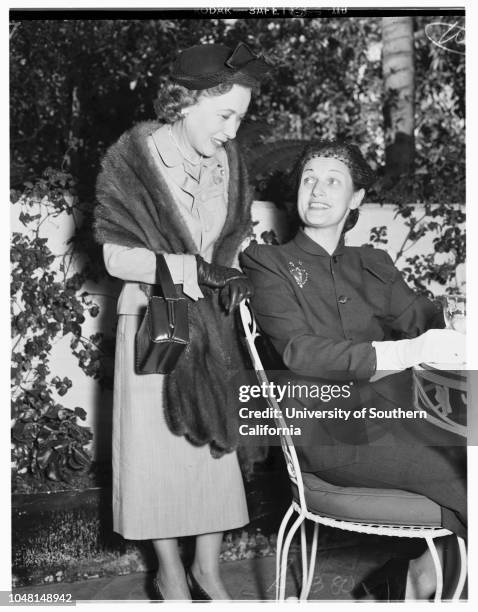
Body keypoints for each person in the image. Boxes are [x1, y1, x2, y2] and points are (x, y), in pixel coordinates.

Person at [241, 140, 466, 601]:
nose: (317, 190)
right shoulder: (269, 263)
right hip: (329, 433)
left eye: (332, 181)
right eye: (308, 179)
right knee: (466, 474)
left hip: (403, 421)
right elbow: (299, 351)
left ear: (357, 199)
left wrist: (454, 324)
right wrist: (399, 354)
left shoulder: (373, 263)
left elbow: (422, 322)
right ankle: (420, 577)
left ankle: (416, 574)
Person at [94, 42, 271, 600]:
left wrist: (239, 272)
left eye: (240, 118)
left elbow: (232, 240)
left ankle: (207, 570)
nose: (231, 130)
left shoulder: (229, 163)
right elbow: (115, 256)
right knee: (159, 458)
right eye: (225, 115)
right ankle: (170, 572)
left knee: (213, 452)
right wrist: (191, 268)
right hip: (155, 322)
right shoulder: (134, 158)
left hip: (212, 328)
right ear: (187, 101)